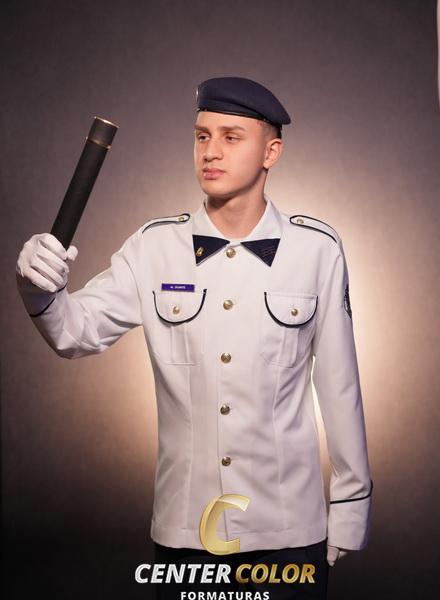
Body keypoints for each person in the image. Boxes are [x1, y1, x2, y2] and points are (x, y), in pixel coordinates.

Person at [16, 76, 373, 598]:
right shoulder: (153, 248)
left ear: (271, 152)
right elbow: (74, 331)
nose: (211, 151)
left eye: (231, 136)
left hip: (289, 533)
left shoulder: (316, 250)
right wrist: (37, 289)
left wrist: (350, 507)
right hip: (186, 536)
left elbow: (340, 388)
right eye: (202, 136)